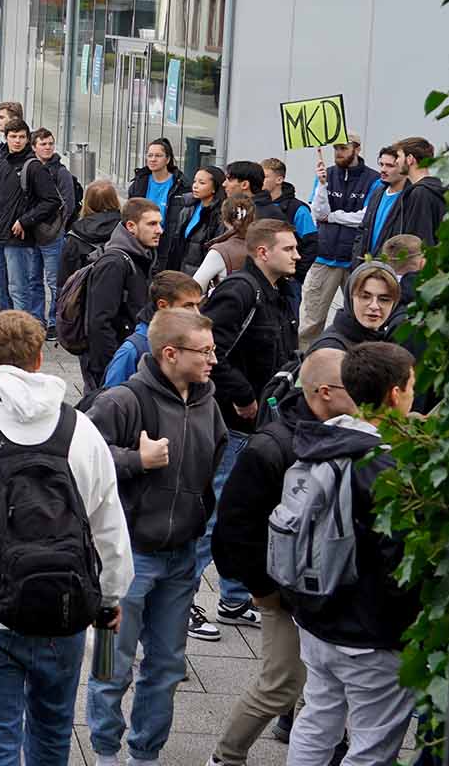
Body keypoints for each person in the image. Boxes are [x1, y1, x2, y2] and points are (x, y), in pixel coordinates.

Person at [0, 311, 133, 766]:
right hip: (67, 611)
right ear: (39, 358)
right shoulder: (81, 430)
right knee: (53, 733)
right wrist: (110, 600)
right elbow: (109, 525)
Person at [83, 308, 225, 766]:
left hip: (181, 561)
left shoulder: (208, 401)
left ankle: (145, 754)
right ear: (170, 354)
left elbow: (215, 461)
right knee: (110, 663)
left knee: (165, 667)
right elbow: (81, 458)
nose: (213, 360)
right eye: (204, 351)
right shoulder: (122, 401)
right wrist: (134, 461)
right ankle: (105, 752)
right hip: (122, 563)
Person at [206, 347, 356, 766]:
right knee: (281, 682)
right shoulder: (273, 446)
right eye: (353, 388)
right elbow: (232, 531)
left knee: (318, 685)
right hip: (284, 592)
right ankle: (225, 757)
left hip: (324, 589)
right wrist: (263, 590)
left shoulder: (342, 434)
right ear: (324, 392)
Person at [284, 342, 420, 766]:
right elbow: (398, 559)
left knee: (317, 718)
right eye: (412, 386)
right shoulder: (388, 467)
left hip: (315, 616)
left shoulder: (321, 440)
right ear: (395, 395)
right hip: (370, 633)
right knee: (372, 745)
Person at [197, 219, 302, 631]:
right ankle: (183, 601)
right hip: (233, 421)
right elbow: (210, 348)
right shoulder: (241, 291)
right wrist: (242, 395)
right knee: (219, 512)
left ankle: (234, 599)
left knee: (245, 512)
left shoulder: (276, 292)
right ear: (262, 252)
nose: (297, 255)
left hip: (260, 422)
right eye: (289, 249)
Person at [301, 133, 380, 350]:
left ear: (357, 149)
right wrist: (322, 185)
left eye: (343, 148)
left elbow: (365, 217)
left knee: (360, 319)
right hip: (324, 257)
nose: (338, 153)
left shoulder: (373, 180)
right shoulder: (326, 174)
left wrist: (334, 216)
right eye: (336, 148)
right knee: (312, 320)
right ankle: (305, 366)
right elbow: (318, 212)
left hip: (356, 260)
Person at [80, 198, 162, 396]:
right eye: (152, 224)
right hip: (111, 363)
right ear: (131, 226)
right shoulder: (114, 263)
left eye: (160, 223)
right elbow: (98, 322)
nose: (160, 230)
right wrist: (113, 364)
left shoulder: (142, 256)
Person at [0, 118, 60, 323]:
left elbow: (52, 201)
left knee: (18, 287)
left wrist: (26, 221)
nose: (17, 141)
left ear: (27, 139)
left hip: (17, 237)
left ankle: (22, 330)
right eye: (13, 137)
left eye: (22, 137)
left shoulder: (33, 166)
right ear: (6, 138)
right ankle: (5, 328)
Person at [101, 271, 203, 392]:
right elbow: (112, 402)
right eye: (188, 306)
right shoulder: (132, 351)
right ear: (163, 305)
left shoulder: (192, 342)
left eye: (198, 305)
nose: (197, 313)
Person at [349, 136, 446, 261]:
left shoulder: (420, 193)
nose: (397, 162)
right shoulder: (437, 188)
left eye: (399, 157)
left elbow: (418, 241)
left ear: (410, 159)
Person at [28, 129, 79, 322]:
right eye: (43, 144)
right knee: (33, 280)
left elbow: (69, 204)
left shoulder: (61, 172)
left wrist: (57, 228)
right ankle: (37, 318)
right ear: (34, 147)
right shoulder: (31, 168)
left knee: (54, 281)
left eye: (50, 143)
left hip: (53, 236)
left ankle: (53, 321)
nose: (48, 147)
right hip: (32, 234)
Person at [305, 260, 399, 358]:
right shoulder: (330, 349)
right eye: (365, 297)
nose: (374, 306)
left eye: (384, 299)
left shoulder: (387, 340)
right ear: (350, 298)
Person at [59, 180, 124, 296]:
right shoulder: (127, 230)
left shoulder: (74, 235)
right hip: (120, 296)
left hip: (85, 298)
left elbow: (64, 279)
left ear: (87, 202)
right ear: (115, 199)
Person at [163, 164, 226, 274]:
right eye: (195, 181)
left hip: (202, 274)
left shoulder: (219, 215)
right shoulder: (188, 208)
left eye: (202, 183)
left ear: (215, 188)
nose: (195, 186)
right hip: (180, 271)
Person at [130, 139, 184, 219]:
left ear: (167, 159)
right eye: (150, 155)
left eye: (158, 156)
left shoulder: (180, 185)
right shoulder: (139, 183)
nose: (153, 159)